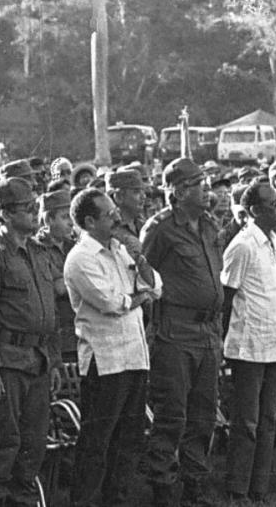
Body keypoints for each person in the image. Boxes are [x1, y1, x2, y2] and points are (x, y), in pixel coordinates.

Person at [64, 188, 162, 507]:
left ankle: (116, 500)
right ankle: (84, 501)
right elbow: (109, 302)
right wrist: (138, 298)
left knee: (129, 438)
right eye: (109, 215)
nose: (117, 218)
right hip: (104, 361)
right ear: (89, 222)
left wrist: (140, 260)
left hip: (134, 356)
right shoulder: (80, 258)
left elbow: (155, 287)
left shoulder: (121, 250)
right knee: (97, 440)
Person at [140, 158, 224, 507]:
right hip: (174, 332)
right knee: (172, 415)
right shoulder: (160, 229)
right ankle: (163, 490)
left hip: (208, 332)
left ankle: (195, 488)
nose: (207, 190)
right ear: (178, 191)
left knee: (204, 416)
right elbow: (144, 279)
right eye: (199, 184)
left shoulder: (209, 225)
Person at [0, 178, 62, 507]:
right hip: (7, 363)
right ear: (5, 214)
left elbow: (50, 313)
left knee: (33, 447)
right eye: (27, 208)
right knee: (4, 445)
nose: (35, 213)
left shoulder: (38, 252)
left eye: (36, 206)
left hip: (38, 360)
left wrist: (54, 361)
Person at [221, 178, 276, 504]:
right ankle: (237, 488)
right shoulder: (243, 246)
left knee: (267, 420)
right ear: (254, 211)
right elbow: (227, 297)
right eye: (273, 206)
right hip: (249, 346)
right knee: (246, 421)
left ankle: (258, 488)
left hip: (274, 343)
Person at [33, 189, 77, 361]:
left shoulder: (75, 246)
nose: (71, 223)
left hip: (80, 331)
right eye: (65, 217)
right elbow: (60, 289)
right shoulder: (37, 249)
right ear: (49, 219)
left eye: (72, 216)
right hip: (57, 336)